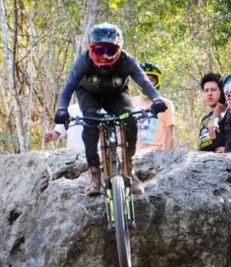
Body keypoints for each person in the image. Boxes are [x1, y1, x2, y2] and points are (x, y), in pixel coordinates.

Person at [54, 23, 168, 196]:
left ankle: (129, 169)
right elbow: (69, 86)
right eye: (99, 51)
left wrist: (157, 99)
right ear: (90, 49)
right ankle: (94, 173)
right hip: (88, 94)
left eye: (110, 51)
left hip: (116, 94)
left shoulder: (127, 61)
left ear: (119, 49)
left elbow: (144, 82)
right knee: (90, 120)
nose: (104, 57)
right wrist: (62, 109)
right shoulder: (84, 61)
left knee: (129, 119)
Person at [131, 62, 176, 152]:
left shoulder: (166, 104)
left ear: (157, 81)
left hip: (156, 153)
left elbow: (170, 134)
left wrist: (167, 157)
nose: (148, 83)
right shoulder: (130, 102)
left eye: (151, 80)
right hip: (134, 153)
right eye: (145, 80)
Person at [197, 73, 226, 152]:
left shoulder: (228, 112)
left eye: (213, 90)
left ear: (222, 92)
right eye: (206, 90)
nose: (209, 93)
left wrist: (229, 148)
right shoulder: (204, 118)